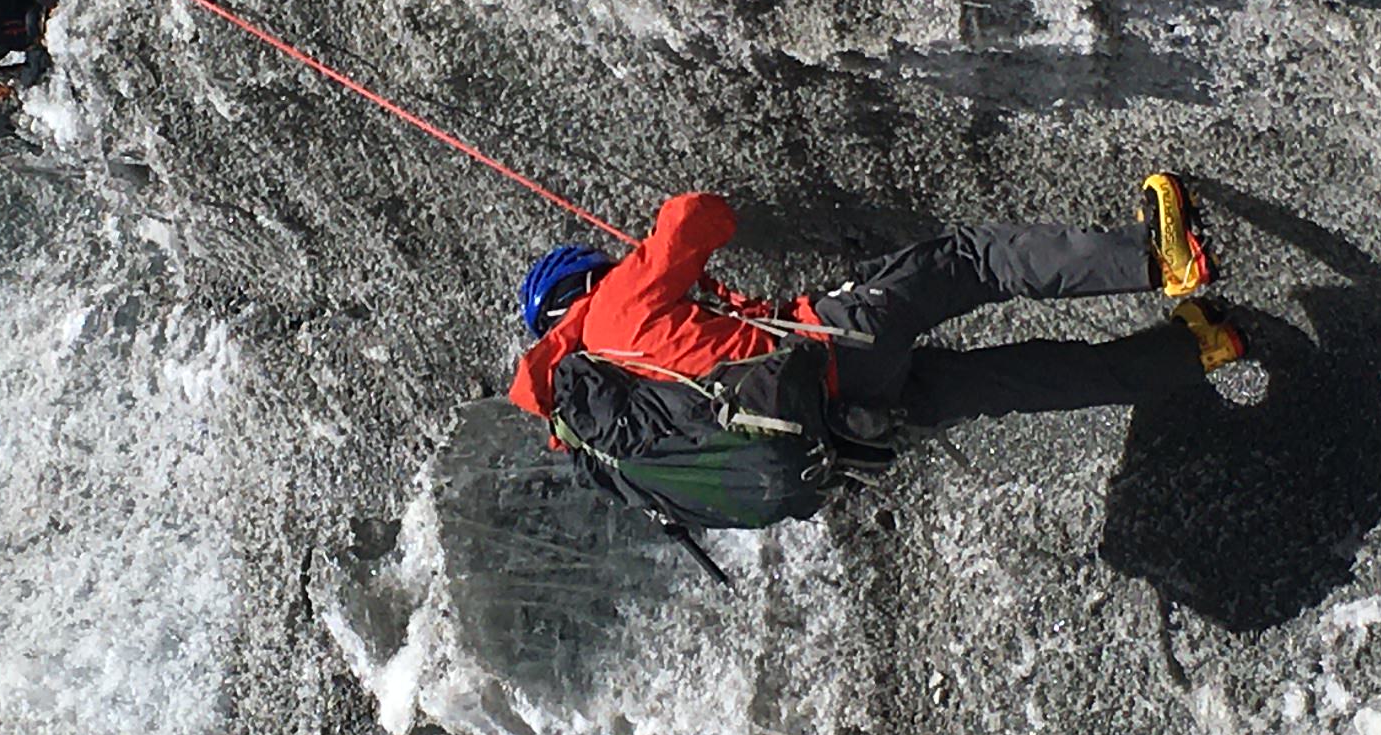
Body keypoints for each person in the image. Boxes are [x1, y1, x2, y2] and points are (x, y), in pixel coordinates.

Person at [506, 175, 1244, 525]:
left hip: (849, 437)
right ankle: (1157, 257)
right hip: (833, 352)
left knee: (1014, 380)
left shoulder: (600, 443)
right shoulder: (607, 318)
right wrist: (655, 253)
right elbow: (695, 218)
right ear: (586, 282)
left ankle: (1197, 347)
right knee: (972, 260)